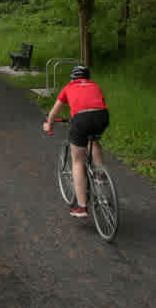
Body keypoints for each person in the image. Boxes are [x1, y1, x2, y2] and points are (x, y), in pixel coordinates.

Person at [42, 65, 109, 218]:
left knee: (78, 161)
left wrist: (49, 123)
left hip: (81, 119)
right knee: (93, 139)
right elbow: (96, 105)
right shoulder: (95, 86)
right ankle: (100, 173)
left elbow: (55, 110)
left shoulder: (68, 87)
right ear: (87, 77)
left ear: (72, 78)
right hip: (102, 116)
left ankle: (81, 206)